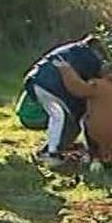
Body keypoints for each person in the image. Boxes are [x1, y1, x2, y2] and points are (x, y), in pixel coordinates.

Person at [20, 35, 105, 168]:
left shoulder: (73, 49)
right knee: (59, 116)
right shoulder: (90, 57)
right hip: (52, 85)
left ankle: (50, 150)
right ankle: (52, 154)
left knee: (60, 116)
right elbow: (91, 84)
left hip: (36, 79)